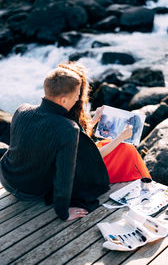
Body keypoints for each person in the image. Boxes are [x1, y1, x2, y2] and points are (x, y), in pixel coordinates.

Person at [0, 67, 110, 221]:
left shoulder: (22, 109)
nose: (78, 99)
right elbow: (64, 176)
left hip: (6, 178)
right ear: (63, 100)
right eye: (76, 96)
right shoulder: (68, 128)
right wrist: (63, 212)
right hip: (30, 192)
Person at [58, 61, 151, 184]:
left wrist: (95, 119)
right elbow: (92, 156)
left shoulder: (61, 107)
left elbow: (79, 138)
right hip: (81, 174)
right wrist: (121, 137)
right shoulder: (68, 114)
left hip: (77, 164)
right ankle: (143, 182)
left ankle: (139, 180)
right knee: (127, 149)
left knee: (116, 145)